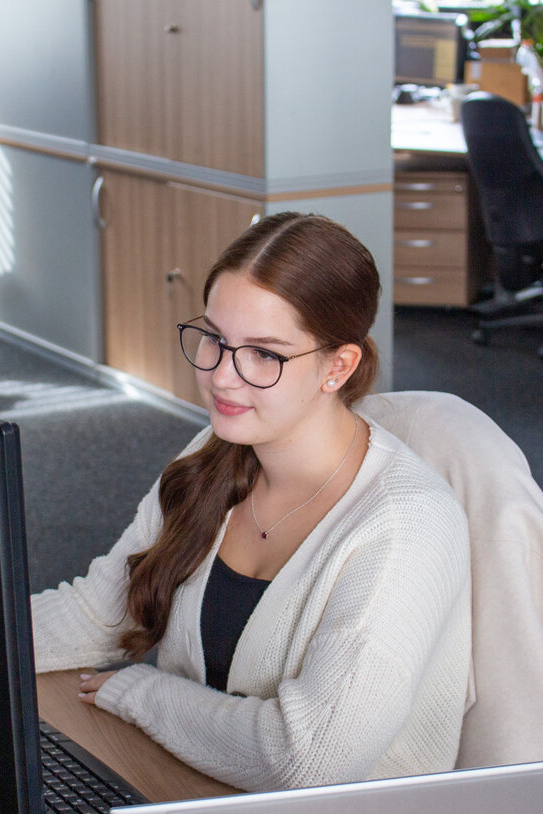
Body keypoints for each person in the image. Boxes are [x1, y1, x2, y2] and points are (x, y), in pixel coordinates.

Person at [30, 212, 471, 792]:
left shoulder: (406, 528)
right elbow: (103, 610)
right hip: (195, 782)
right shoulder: (219, 454)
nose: (222, 378)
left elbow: (308, 760)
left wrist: (145, 691)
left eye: (264, 353)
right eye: (214, 338)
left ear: (338, 366)